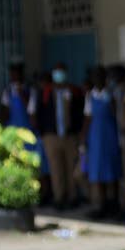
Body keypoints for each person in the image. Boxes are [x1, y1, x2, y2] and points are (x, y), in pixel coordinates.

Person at [29, 64, 83, 210]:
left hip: (69, 136)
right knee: (55, 169)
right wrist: (42, 133)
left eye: (61, 71)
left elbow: (80, 113)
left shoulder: (73, 91)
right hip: (51, 136)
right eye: (57, 71)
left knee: (71, 167)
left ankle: (73, 197)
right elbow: (34, 114)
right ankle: (59, 197)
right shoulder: (44, 93)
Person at [81, 66, 121, 216]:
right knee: (97, 171)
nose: (97, 79)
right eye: (94, 76)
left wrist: (110, 100)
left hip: (110, 135)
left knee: (112, 170)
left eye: (100, 76)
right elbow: (87, 117)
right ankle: (101, 205)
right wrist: (83, 137)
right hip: (95, 137)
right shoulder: (90, 96)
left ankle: (114, 204)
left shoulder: (111, 94)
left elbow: (116, 113)